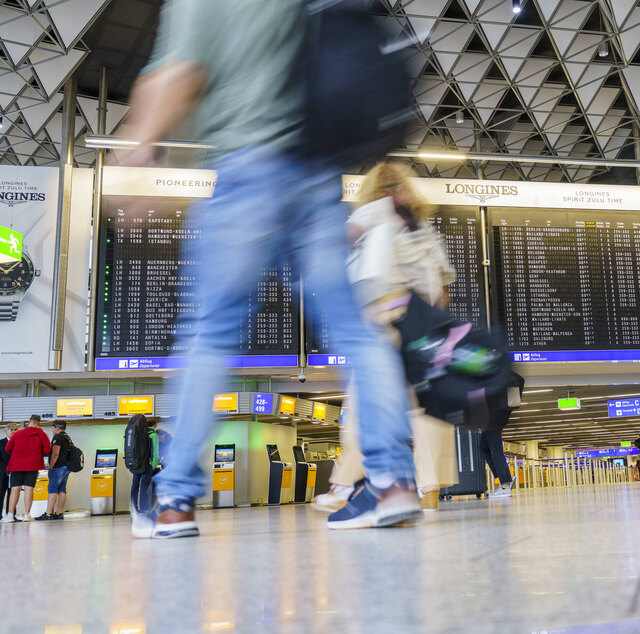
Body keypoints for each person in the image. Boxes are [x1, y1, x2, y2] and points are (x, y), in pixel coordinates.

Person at [118, 1, 418, 537]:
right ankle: (394, 482)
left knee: (210, 332)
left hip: (245, 173)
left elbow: (180, 72)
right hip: (315, 177)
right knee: (355, 331)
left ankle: (174, 500)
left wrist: (142, 144)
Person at [312, 162, 458, 514]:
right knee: (426, 407)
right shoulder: (424, 228)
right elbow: (443, 290)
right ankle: (430, 489)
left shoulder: (376, 209)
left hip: (383, 321)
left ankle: (345, 486)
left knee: (365, 402)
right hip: (423, 326)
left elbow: (341, 241)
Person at [1, 415, 51, 522]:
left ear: (29, 422)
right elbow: (47, 450)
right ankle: (27, 515)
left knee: (15, 489)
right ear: (39, 423)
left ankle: (10, 516)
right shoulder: (42, 434)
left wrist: (16, 455)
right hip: (32, 465)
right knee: (29, 489)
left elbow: (8, 448)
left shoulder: (18, 433)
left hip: (16, 465)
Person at [130, 417, 161, 537]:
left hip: (136, 464)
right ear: (154, 425)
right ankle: (143, 509)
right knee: (144, 486)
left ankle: (133, 508)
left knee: (135, 486)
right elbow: (155, 451)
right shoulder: (153, 435)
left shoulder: (138, 434)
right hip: (147, 464)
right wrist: (154, 465)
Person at [36, 422, 71, 521]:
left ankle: (48, 513)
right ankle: (59, 513)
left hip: (58, 467)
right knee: (62, 490)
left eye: (52, 428)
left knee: (52, 489)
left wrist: (50, 466)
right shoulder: (67, 437)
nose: (52, 430)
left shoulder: (58, 437)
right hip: (66, 467)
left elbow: (55, 454)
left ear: (56, 428)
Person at [0, 423, 19, 519]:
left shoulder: (19, 443)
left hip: (15, 474)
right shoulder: (0, 443)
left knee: (13, 496)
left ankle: (11, 515)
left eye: (15, 429)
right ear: (6, 431)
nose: (13, 431)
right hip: (2, 475)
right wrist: (6, 470)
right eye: (11, 430)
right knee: (0, 495)